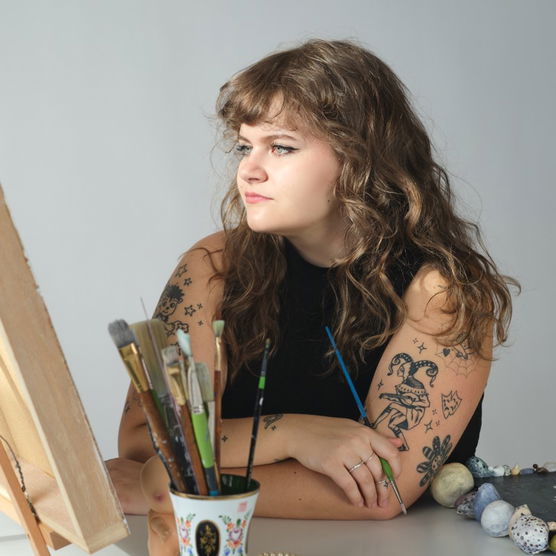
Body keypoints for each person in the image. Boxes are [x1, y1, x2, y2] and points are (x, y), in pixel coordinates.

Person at [107, 38, 516, 552]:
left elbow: (383, 489)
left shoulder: (440, 293)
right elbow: (143, 441)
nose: (249, 169)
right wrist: (294, 435)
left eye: (280, 146)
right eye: (244, 145)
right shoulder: (212, 266)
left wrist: (172, 489)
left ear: (359, 158)